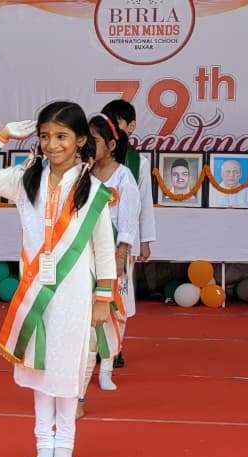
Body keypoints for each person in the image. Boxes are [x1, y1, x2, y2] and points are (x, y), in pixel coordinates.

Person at [0, 101, 118, 457]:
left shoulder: (93, 190)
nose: (52, 145)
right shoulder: (26, 179)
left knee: (66, 369)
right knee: (39, 368)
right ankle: (42, 444)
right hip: (36, 290)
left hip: (74, 293)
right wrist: (1, 135)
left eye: (62, 136)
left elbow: (104, 248)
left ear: (80, 140)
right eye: (45, 136)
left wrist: (103, 297)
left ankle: (65, 446)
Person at [83, 114, 140, 395]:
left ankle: (106, 368)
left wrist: (120, 255)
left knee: (114, 312)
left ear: (111, 145)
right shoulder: (83, 174)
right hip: (85, 254)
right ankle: (83, 366)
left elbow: (128, 220)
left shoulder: (123, 176)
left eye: (94, 141)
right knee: (85, 309)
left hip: (113, 254)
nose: (89, 146)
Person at [101, 100, 159, 370]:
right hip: (93, 239)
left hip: (124, 242)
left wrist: (145, 240)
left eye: (118, 122)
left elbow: (144, 203)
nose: (112, 127)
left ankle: (115, 348)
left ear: (131, 126)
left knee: (121, 295)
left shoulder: (139, 163)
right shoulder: (94, 158)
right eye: (107, 122)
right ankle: (96, 345)